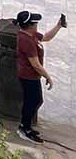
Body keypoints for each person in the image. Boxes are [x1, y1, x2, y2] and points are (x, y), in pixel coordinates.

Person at [15, 10, 66, 143]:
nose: (37, 24)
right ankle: (24, 128)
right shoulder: (26, 40)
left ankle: (26, 126)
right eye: (35, 22)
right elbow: (35, 64)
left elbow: (46, 37)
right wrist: (48, 77)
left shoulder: (31, 35)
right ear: (30, 25)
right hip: (28, 76)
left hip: (33, 77)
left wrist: (58, 26)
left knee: (34, 101)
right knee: (33, 101)